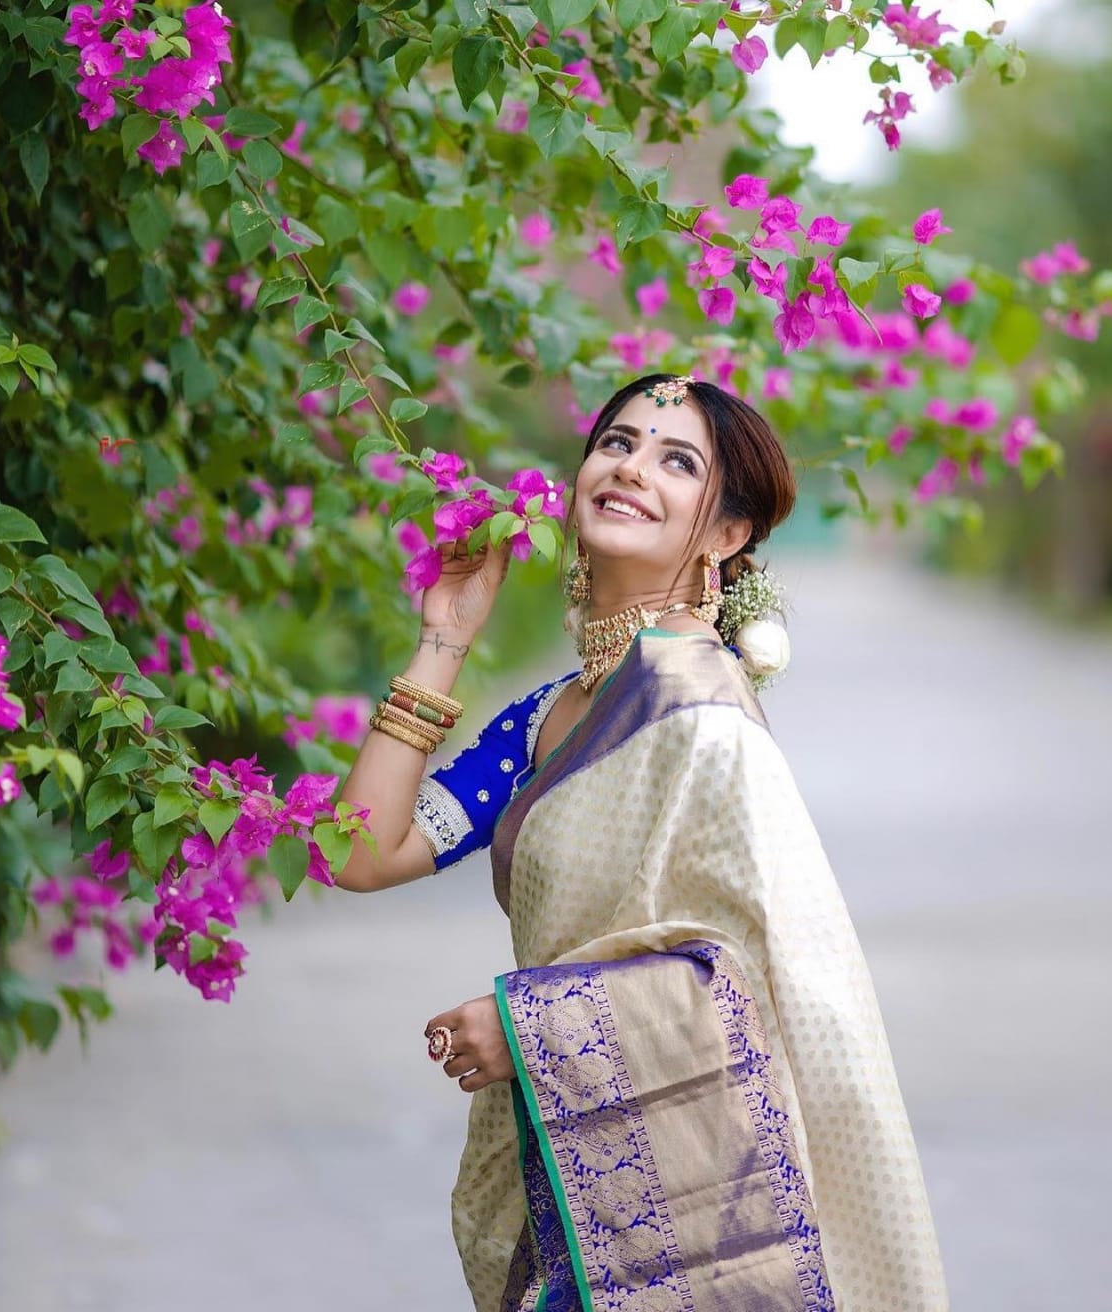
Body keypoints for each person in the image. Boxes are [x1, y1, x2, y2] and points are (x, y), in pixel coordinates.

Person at [335, 372, 950, 1311]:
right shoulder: (552, 713)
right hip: (577, 1167)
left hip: (693, 1197)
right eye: (616, 443)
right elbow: (364, 853)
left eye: (677, 461)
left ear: (726, 533)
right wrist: (444, 638)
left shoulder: (703, 711)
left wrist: (532, 1027)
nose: (630, 469)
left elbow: (754, 985)